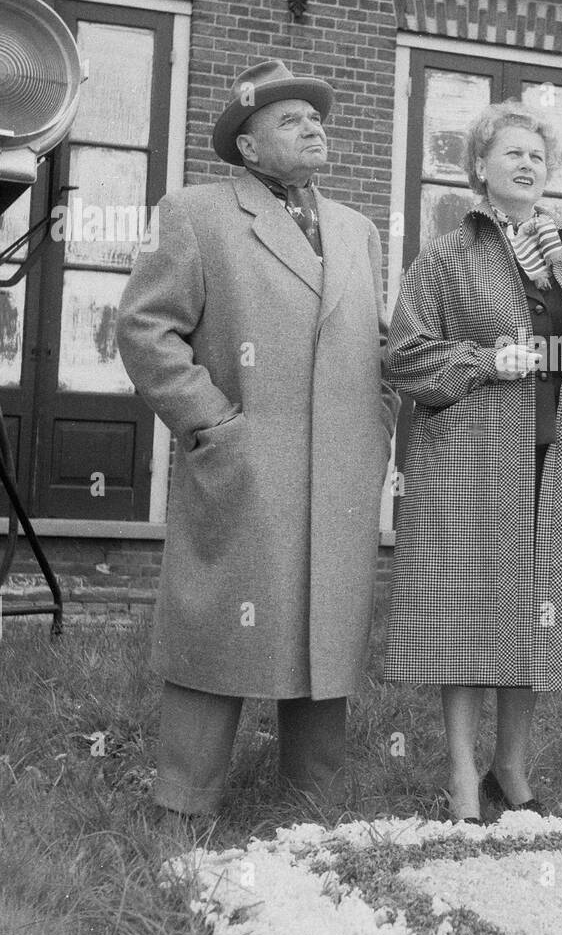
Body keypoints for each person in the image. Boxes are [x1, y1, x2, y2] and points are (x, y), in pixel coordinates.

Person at [116, 59, 398, 821]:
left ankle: (312, 806)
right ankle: (184, 803)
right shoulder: (195, 213)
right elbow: (144, 330)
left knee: (327, 628)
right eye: (289, 120)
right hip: (246, 461)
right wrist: (212, 424)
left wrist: (377, 426)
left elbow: (379, 343)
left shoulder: (356, 229)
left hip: (341, 469)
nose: (313, 128)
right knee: (219, 621)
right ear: (246, 147)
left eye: (316, 117)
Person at [384, 101, 562, 823]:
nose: (526, 165)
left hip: (555, 463)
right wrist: (485, 360)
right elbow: (403, 356)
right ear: (479, 170)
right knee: (466, 617)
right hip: (468, 462)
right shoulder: (446, 256)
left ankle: (512, 770)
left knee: (535, 615)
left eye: (537, 155)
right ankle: (463, 776)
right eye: (510, 154)